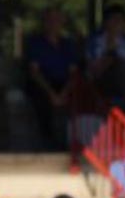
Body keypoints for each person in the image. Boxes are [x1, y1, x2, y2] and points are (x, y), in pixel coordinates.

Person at [24, 8, 82, 148]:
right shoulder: (35, 43)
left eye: (57, 20)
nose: (53, 23)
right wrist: (52, 94)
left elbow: (74, 73)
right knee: (40, 100)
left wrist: (63, 93)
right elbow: (34, 72)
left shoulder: (68, 45)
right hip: (42, 83)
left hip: (64, 84)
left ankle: (75, 143)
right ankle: (48, 144)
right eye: (49, 20)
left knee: (78, 99)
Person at [87, 5, 125, 108]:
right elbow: (93, 69)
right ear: (106, 22)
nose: (117, 24)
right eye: (114, 19)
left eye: (120, 20)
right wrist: (110, 52)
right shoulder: (94, 41)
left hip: (123, 82)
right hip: (99, 81)